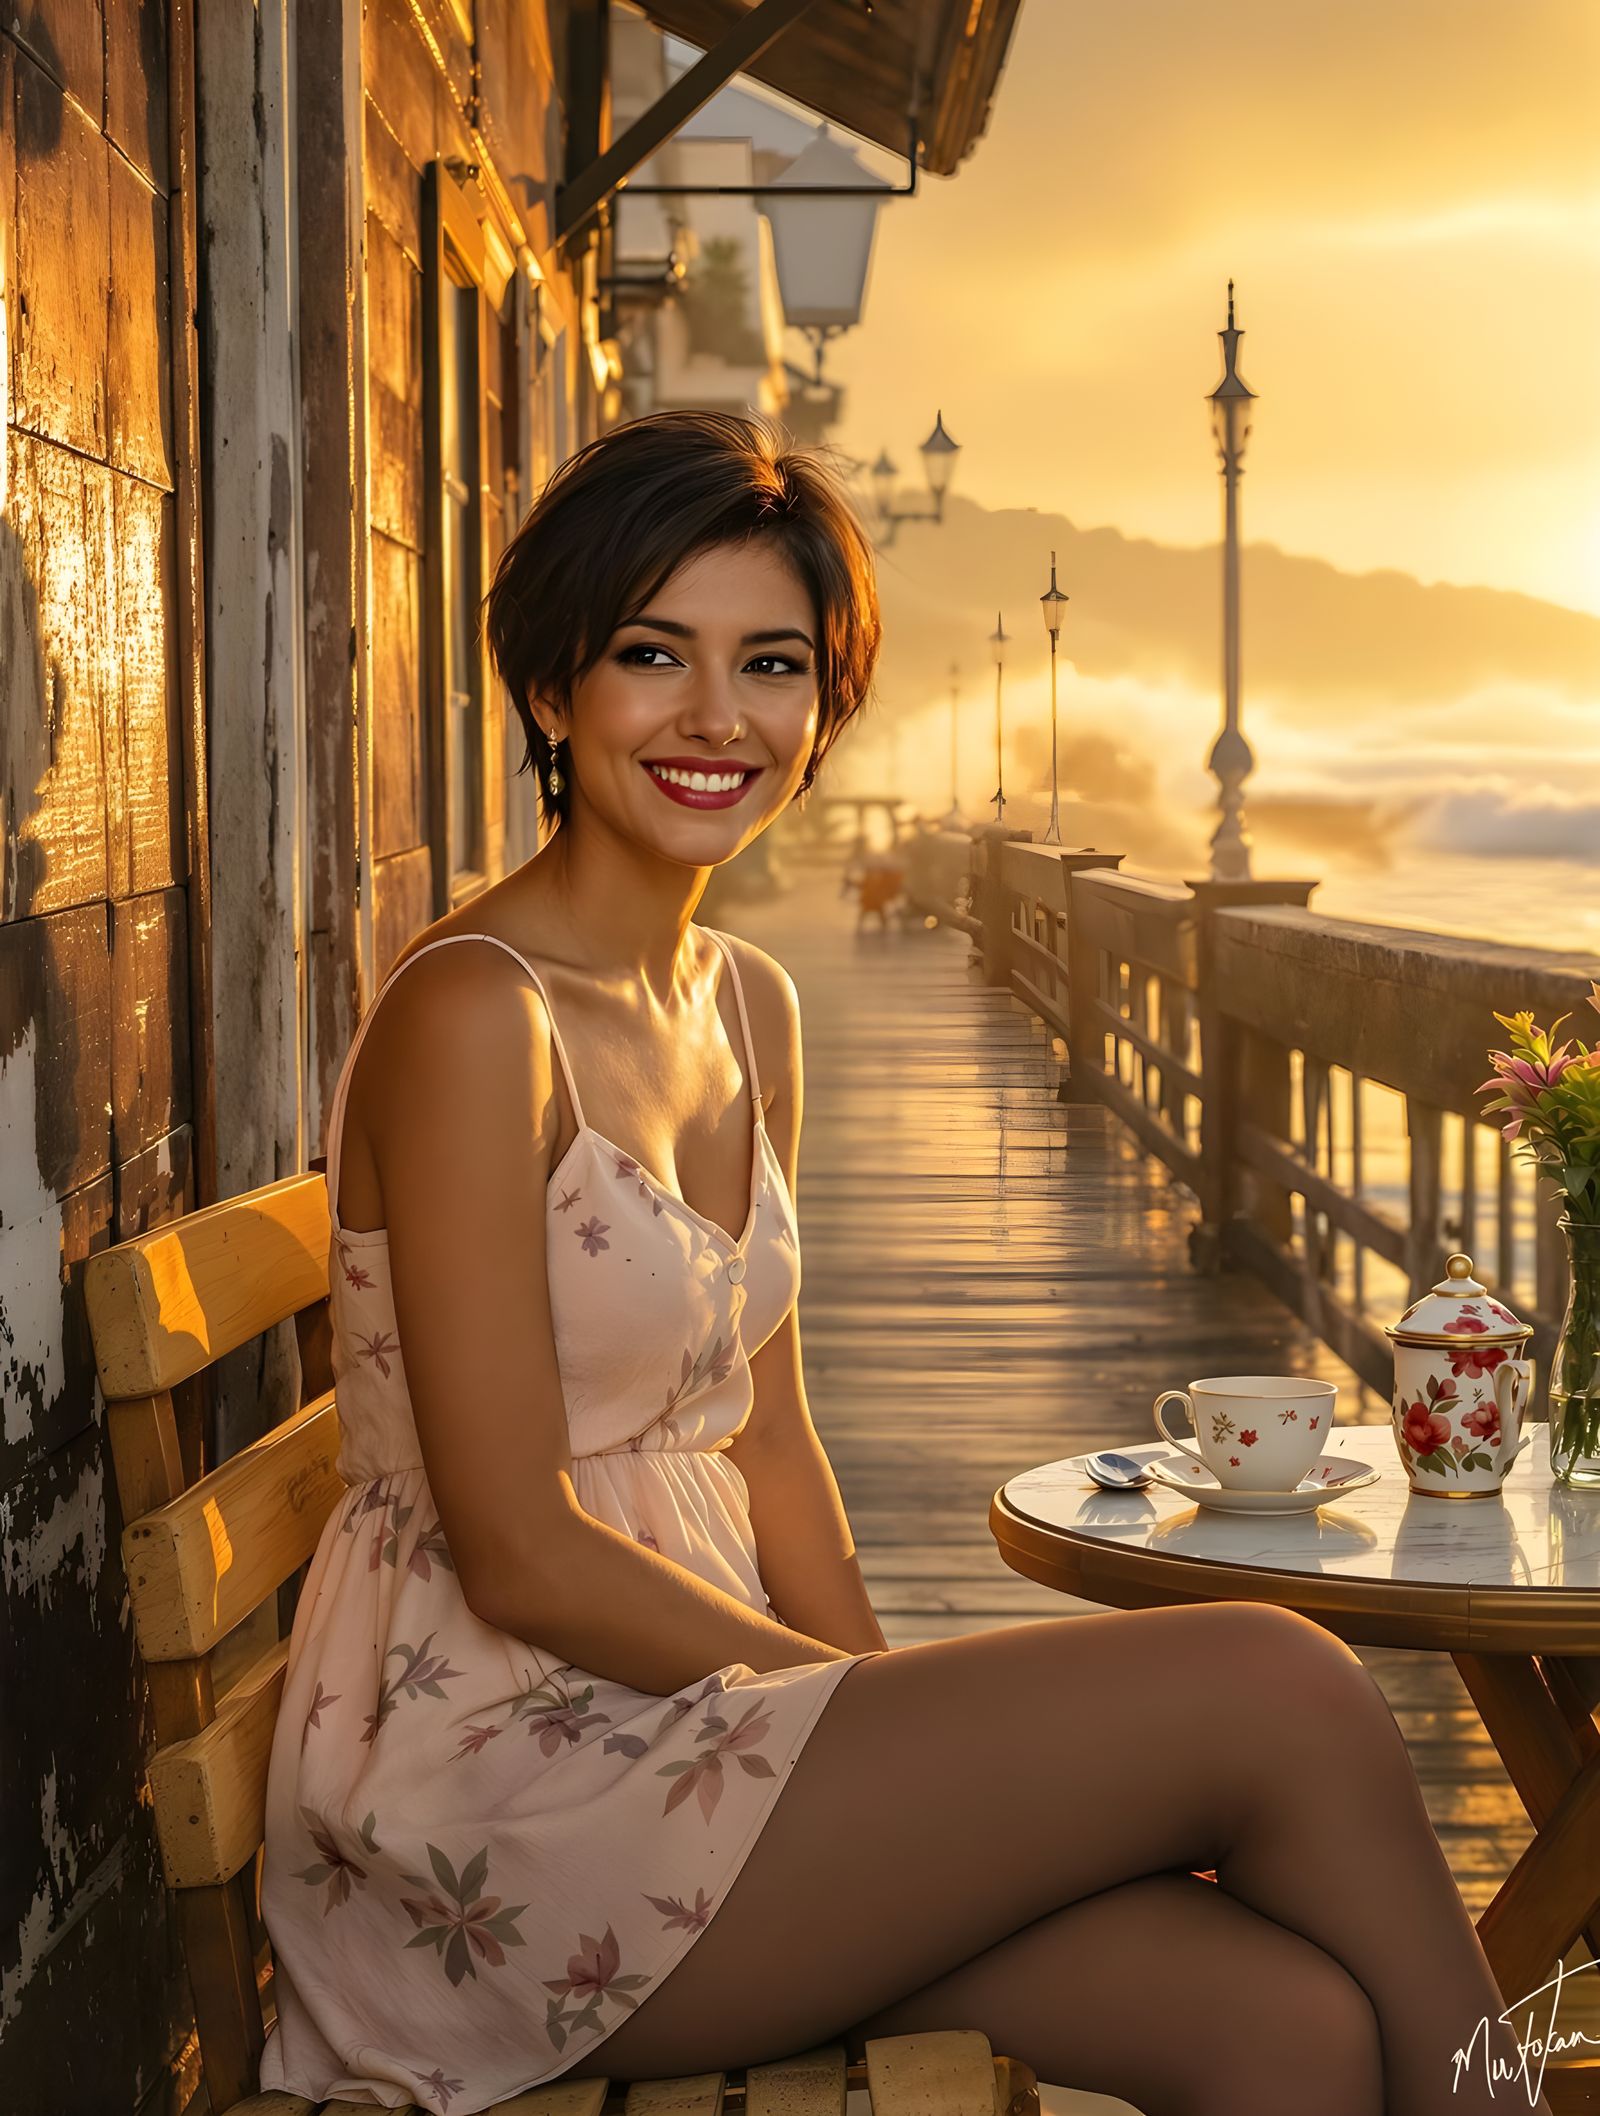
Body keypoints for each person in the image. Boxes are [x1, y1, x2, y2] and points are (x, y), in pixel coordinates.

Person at [258, 411, 1550, 2116]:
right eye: (655, 652)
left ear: (824, 711)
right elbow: (515, 1552)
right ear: (556, 688)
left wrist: (892, 1739)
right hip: (500, 1797)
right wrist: (881, 1719)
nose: (718, 715)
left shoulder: (747, 1008)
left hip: (704, 1747)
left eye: (771, 665)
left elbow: (771, 1445)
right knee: (1280, 1684)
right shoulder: (473, 1012)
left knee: (1281, 2031)